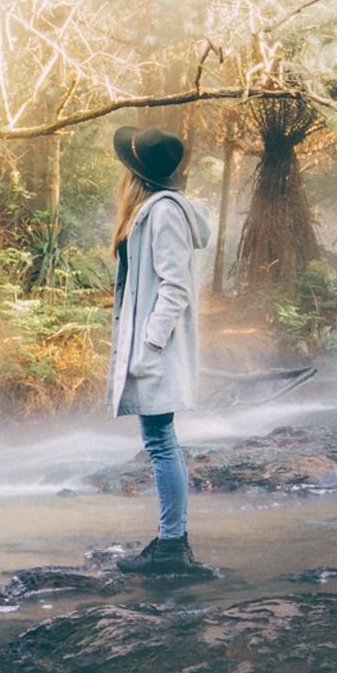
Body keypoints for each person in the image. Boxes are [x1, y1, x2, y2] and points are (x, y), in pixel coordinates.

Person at [107, 124, 213, 574]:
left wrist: (149, 342)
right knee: (158, 439)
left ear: (136, 174)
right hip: (150, 346)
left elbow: (176, 287)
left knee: (160, 441)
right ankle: (172, 540)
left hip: (157, 348)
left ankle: (173, 544)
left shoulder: (164, 212)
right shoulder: (153, 210)